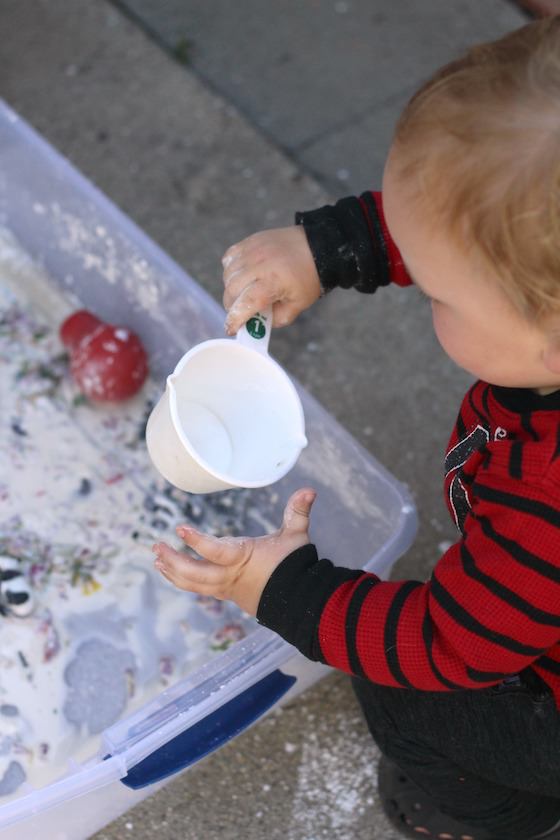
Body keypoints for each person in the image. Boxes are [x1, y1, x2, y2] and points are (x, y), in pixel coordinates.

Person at [152, 17, 560, 840]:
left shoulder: (547, 505)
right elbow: (469, 220)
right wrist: (331, 248)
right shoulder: (535, 292)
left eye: (439, 293)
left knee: (399, 684)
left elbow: (445, 645)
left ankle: (505, 815)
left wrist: (289, 594)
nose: (422, 287)